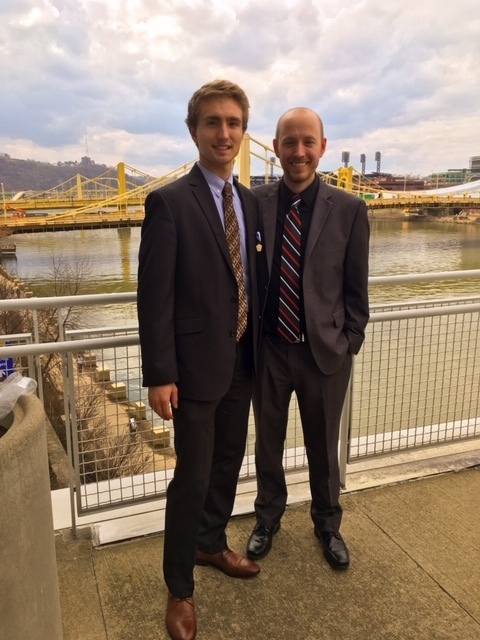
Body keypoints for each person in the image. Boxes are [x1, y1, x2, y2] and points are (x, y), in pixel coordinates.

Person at [137, 79, 264, 640]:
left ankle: (212, 543)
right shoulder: (168, 203)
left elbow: (251, 281)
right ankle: (179, 588)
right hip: (190, 370)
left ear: (242, 132)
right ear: (193, 131)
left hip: (242, 361)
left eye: (233, 123)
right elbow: (154, 296)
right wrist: (160, 373)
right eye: (212, 122)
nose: (224, 132)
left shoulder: (251, 203)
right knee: (190, 478)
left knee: (228, 463)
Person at [247, 108, 369, 571]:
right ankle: (267, 518)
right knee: (268, 442)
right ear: (275, 148)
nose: (299, 152)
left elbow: (358, 288)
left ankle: (327, 524)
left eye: (307, 142)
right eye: (289, 142)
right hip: (270, 350)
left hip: (325, 353)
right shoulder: (251, 203)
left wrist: (348, 341)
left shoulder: (351, 209)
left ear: (322, 146)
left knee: (323, 445)